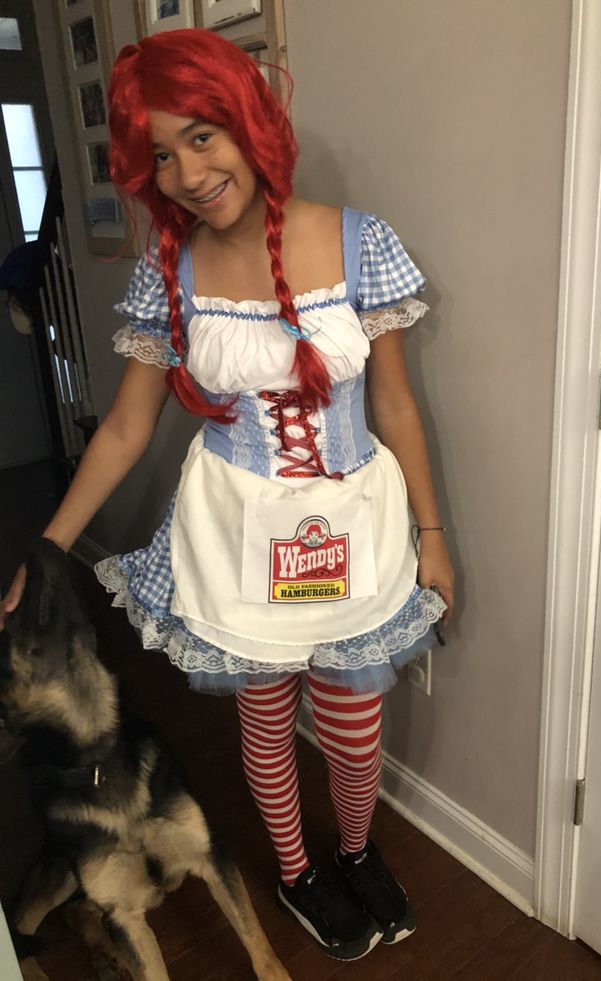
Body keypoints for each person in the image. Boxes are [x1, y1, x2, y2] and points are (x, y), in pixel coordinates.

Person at [0, 29, 454, 961]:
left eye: (201, 136)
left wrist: (433, 532)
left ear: (249, 124)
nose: (186, 171)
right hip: (233, 528)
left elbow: (396, 403)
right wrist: (45, 550)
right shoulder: (167, 273)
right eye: (160, 155)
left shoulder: (362, 243)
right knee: (264, 715)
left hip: (353, 524)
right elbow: (126, 429)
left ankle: (356, 849)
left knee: (355, 723)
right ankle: (294, 873)